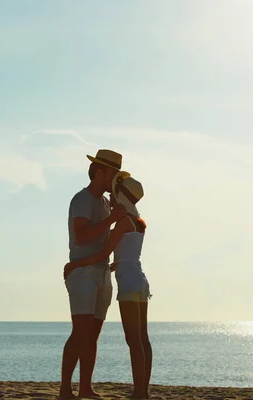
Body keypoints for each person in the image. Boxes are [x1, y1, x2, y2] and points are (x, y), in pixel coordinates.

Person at [64, 176, 152, 399]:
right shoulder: (138, 221)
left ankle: (139, 393)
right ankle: (143, 391)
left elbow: (104, 252)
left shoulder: (122, 222)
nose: (110, 196)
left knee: (133, 339)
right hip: (139, 279)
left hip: (129, 283)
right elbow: (126, 257)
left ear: (120, 197)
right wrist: (112, 267)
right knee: (143, 339)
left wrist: (75, 264)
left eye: (114, 193)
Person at [59, 149, 127, 400]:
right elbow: (82, 235)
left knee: (93, 333)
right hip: (83, 272)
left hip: (100, 270)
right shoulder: (82, 199)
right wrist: (111, 219)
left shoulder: (106, 203)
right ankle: (65, 389)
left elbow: (103, 237)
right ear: (100, 173)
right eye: (114, 174)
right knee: (80, 331)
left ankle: (85, 387)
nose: (116, 180)